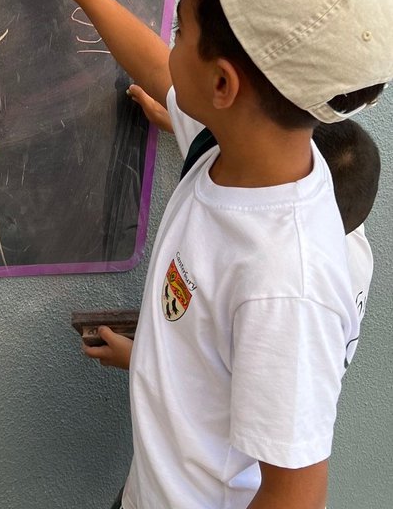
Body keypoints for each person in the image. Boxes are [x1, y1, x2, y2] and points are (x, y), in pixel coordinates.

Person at [1, 0, 393, 509]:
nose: (166, 39)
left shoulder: (287, 274)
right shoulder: (231, 141)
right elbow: (156, 65)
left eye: (179, 25)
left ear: (223, 84)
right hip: (163, 503)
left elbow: (294, 495)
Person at [89, 89, 380, 372]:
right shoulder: (344, 222)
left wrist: (140, 360)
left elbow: (228, 382)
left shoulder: (283, 295)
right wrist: (180, 125)